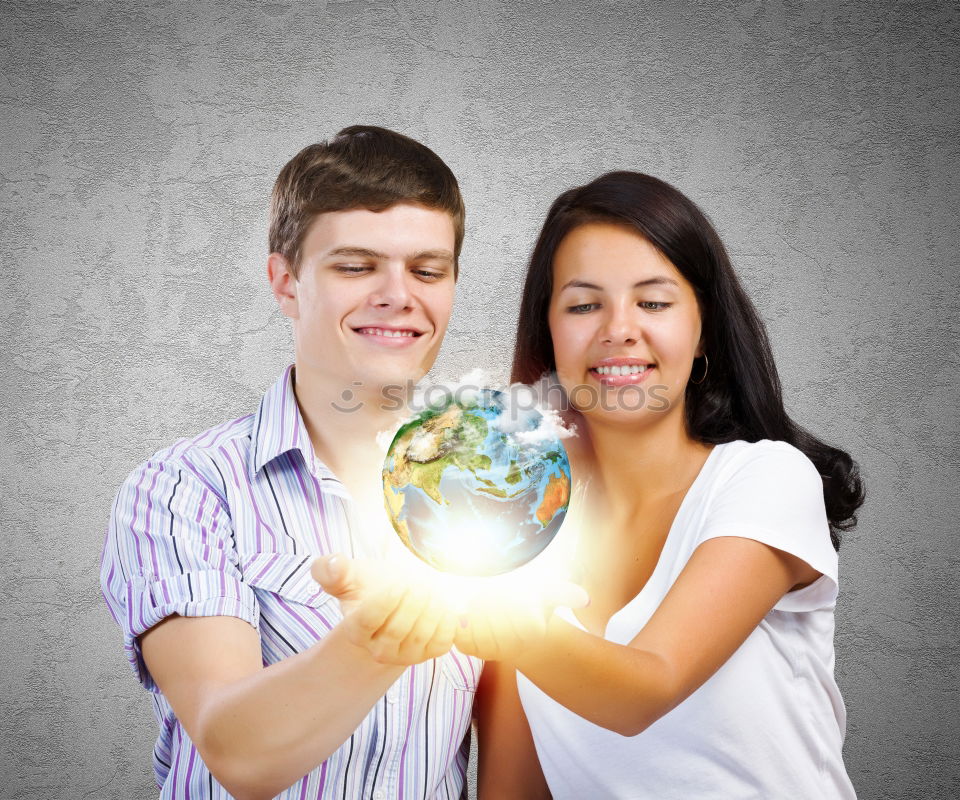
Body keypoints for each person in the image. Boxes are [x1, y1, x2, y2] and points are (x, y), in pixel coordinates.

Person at [100, 125, 483, 800]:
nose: (400, 294)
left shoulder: (492, 487)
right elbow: (237, 753)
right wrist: (371, 645)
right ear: (285, 282)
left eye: (427, 270)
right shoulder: (182, 490)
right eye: (356, 266)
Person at [471, 171, 866, 798]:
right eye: (582, 305)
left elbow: (647, 687)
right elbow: (512, 787)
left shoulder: (763, 478)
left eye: (653, 302)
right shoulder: (517, 530)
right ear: (549, 333)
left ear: (704, 328)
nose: (618, 329)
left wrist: (476, 616)